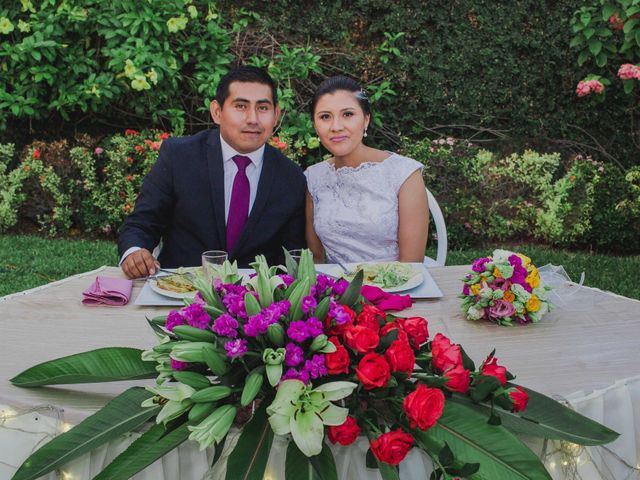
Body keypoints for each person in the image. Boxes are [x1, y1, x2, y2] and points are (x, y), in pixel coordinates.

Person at [118, 66, 306, 278]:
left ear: (276, 115)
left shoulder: (291, 177)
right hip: (180, 293)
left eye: (263, 108)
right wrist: (135, 252)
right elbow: (142, 223)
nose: (253, 118)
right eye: (241, 106)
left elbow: (292, 257)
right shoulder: (179, 157)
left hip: (255, 301)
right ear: (217, 112)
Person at [305, 76, 428, 264]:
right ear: (315, 125)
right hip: (335, 290)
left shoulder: (404, 173)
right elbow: (315, 258)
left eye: (347, 114)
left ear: (366, 120)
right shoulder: (313, 177)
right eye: (325, 117)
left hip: (395, 287)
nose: (336, 127)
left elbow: (411, 263)